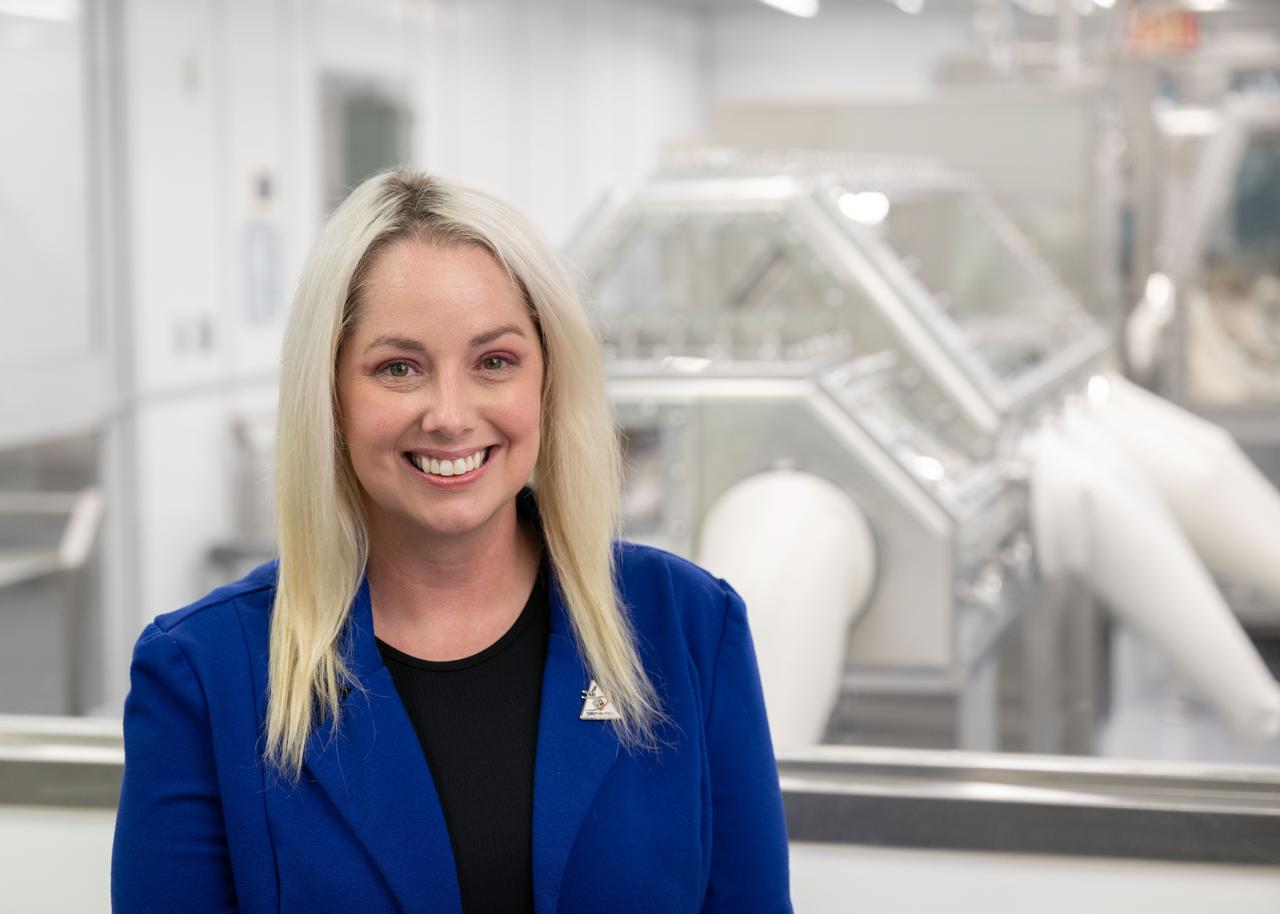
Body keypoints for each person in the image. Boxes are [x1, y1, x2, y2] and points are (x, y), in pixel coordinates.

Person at [111, 169, 793, 913]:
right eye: (397, 368)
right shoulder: (206, 676)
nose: (449, 414)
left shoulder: (688, 628)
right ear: (330, 396)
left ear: (547, 381)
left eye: (494, 362)